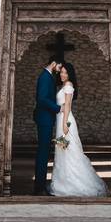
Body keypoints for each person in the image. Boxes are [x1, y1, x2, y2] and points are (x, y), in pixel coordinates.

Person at [48, 62, 108, 197]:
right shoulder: (63, 85)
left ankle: (74, 183)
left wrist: (64, 124)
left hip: (66, 120)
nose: (63, 74)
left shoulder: (68, 85)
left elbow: (68, 105)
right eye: (62, 72)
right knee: (62, 150)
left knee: (70, 151)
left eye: (66, 72)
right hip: (61, 119)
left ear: (70, 75)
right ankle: (63, 181)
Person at [32, 57, 61, 195]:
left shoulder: (48, 77)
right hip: (44, 119)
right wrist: (57, 108)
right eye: (59, 67)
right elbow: (42, 99)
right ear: (54, 63)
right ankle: (39, 188)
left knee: (44, 152)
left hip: (46, 118)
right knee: (43, 153)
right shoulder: (45, 77)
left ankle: (40, 185)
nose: (60, 70)